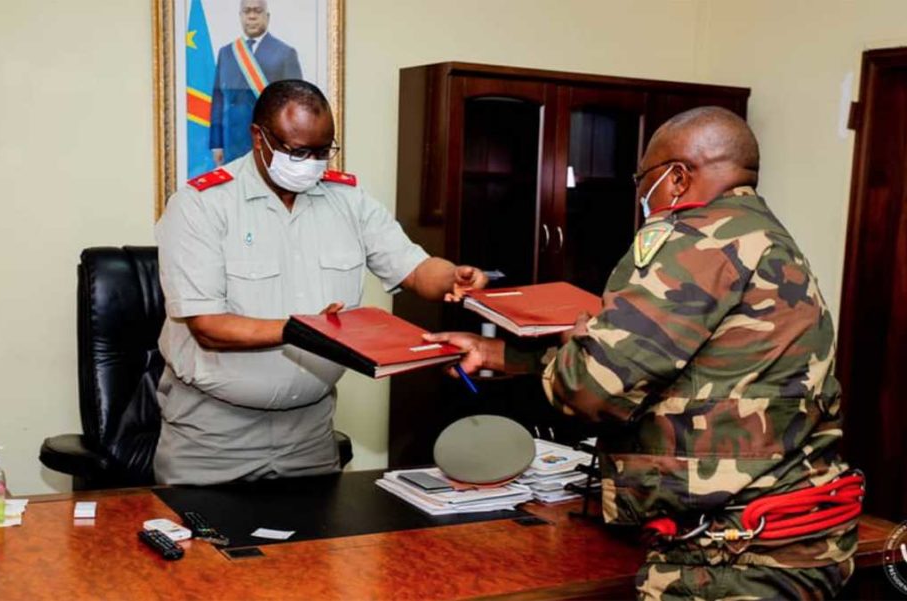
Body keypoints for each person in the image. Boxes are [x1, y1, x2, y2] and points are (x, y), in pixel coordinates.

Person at [426, 107, 859, 600]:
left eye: (642, 178)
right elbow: (697, 370)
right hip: (796, 531)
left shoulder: (694, 238)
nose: (639, 192)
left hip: (729, 557)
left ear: (676, 177)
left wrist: (585, 340)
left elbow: (591, 391)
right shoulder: (762, 234)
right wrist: (501, 354)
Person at [155, 79, 487, 486]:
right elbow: (208, 328)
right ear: (258, 137)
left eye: (321, 151)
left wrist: (453, 276)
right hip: (213, 435)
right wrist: (311, 331)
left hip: (309, 434)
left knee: (314, 545)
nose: (310, 162)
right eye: (297, 151)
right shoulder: (201, 205)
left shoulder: (347, 200)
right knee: (206, 547)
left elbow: (416, 269)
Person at [210, 0, 302, 166]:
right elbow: (218, 100)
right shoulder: (226, 53)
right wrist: (217, 143)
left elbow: (295, 104)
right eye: (247, 11)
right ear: (240, 16)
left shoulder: (285, 53)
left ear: (267, 17)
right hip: (232, 144)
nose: (252, 16)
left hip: (269, 139)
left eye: (257, 11)